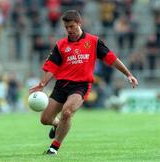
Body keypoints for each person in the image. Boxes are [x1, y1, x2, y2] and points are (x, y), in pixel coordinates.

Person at [29, 10, 138, 155]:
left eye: (72, 26)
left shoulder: (93, 42)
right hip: (61, 85)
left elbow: (111, 58)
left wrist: (128, 74)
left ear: (79, 24)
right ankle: (57, 125)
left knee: (67, 113)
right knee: (45, 119)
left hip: (80, 86)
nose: (69, 30)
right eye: (66, 27)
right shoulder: (60, 45)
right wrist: (43, 84)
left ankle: (53, 148)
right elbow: (52, 67)